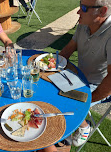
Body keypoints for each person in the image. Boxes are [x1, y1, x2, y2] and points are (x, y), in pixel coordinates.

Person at [59, 0, 111, 147]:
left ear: (102, 11)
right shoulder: (84, 24)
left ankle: (83, 126)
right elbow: (69, 49)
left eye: (83, 8)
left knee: (64, 102)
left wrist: (86, 100)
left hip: (98, 85)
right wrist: (51, 67)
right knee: (47, 89)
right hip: (79, 77)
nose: (78, 11)